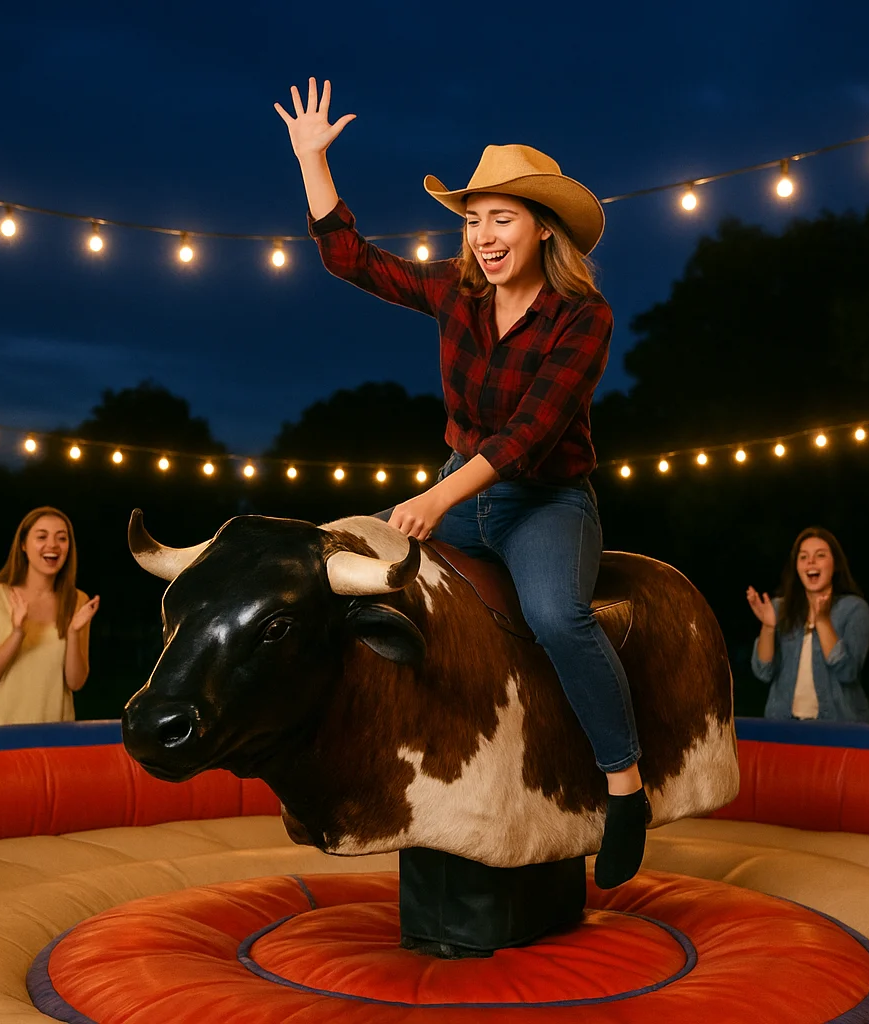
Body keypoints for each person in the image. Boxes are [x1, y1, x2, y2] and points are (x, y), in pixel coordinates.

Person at [278, 78, 646, 887]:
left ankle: (625, 790)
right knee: (339, 570)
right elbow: (351, 259)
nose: (482, 235)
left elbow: (530, 434)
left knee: (557, 615)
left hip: (546, 501)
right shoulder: (455, 291)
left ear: (542, 229)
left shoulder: (585, 317)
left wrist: (438, 500)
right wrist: (313, 160)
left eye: (500, 218)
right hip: (454, 488)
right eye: (473, 219)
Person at [0, 507, 99, 726]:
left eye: (62, 538)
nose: (53, 545)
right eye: (41, 536)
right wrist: (17, 634)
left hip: (53, 737)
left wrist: (74, 632)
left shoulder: (78, 601)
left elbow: (75, 682)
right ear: (23, 545)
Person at [746, 527, 869, 722]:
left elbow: (848, 672)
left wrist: (822, 621)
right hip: (784, 725)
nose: (810, 562)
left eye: (820, 555)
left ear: (835, 564)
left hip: (839, 727)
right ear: (797, 567)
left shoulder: (854, 608)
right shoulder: (779, 608)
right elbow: (763, 671)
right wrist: (768, 627)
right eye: (803, 557)